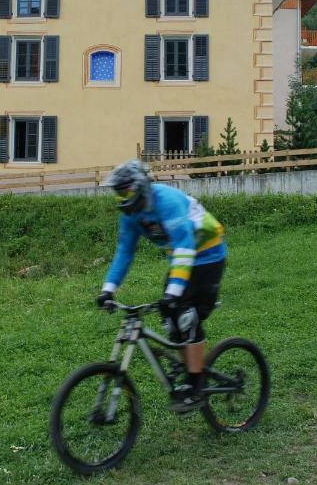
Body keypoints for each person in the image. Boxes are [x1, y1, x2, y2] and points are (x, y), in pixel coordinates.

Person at [97, 160, 226, 412]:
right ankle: (189, 367)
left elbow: (185, 246)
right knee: (170, 318)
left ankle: (195, 384)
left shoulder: (167, 201)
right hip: (182, 259)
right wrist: (108, 289)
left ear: (142, 187)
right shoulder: (132, 216)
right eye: (119, 192)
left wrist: (173, 292)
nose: (123, 197)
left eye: (126, 191)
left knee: (186, 317)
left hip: (208, 255)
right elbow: (124, 252)